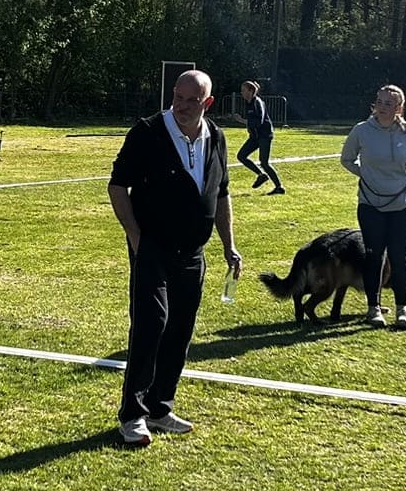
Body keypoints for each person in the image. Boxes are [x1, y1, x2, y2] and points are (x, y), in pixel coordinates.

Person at [107, 69, 243, 447]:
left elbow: (221, 194)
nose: (182, 106)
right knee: (151, 325)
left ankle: (160, 407)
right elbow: (117, 186)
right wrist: (136, 238)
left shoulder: (216, 137)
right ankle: (132, 415)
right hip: (151, 248)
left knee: (180, 330)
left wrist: (229, 244)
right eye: (177, 98)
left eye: (192, 101)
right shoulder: (147, 132)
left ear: (208, 103)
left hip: (193, 253)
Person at [340, 84, 406, 331]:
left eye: (389, 103)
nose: (382, 107)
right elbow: (347, 159)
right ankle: (373, 308)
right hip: (370, 204)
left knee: (398, 257)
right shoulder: (361, 130)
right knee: (374, 256)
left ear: (399, 108)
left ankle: (402, 310)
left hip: (402, 205)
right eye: (379, 102)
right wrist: (365, 174)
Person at [236, 79, 283, 195]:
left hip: (264, 135)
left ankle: (279, 187)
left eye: (243, 90)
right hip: (255, 137)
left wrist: (242, 121)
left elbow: (259, 122)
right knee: (241, 156)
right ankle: (261, 175)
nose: (241, 93)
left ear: (250, 91)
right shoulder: (249, 103)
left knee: (264, 162)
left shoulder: (257, 102)